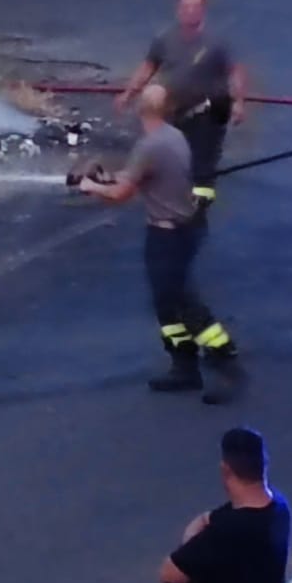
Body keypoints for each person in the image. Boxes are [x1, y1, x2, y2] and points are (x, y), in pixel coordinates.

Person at [80, 83, 242, 403]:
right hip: (181, 231)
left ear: (140, 109)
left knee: (182, 302)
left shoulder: (150, 146)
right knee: (167, 304)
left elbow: (121, 195)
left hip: (167, 235)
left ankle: (224, 358)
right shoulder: (173, 136)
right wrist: (109, 178)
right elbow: (138, 177)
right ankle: (184, 367)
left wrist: (91, 186)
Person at [159, 427, 292, 583]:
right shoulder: (277, 509)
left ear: (226, 470)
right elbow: (208, 523)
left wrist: (194, 572)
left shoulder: (229, 531)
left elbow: (170, 572)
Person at [117, 0, 247, 219]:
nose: (189, 11)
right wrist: (128, 94)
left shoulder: (217, 42)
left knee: (203, 159)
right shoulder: (164, 39)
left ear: (202, 9)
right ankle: (172, 197)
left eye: (194, 6)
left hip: (210, 109)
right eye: (185, 6)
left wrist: (239, 102)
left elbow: (234, 72)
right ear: (178, 8)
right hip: (175, 110)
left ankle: (200, 207)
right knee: (173, 153)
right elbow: (148, 67)